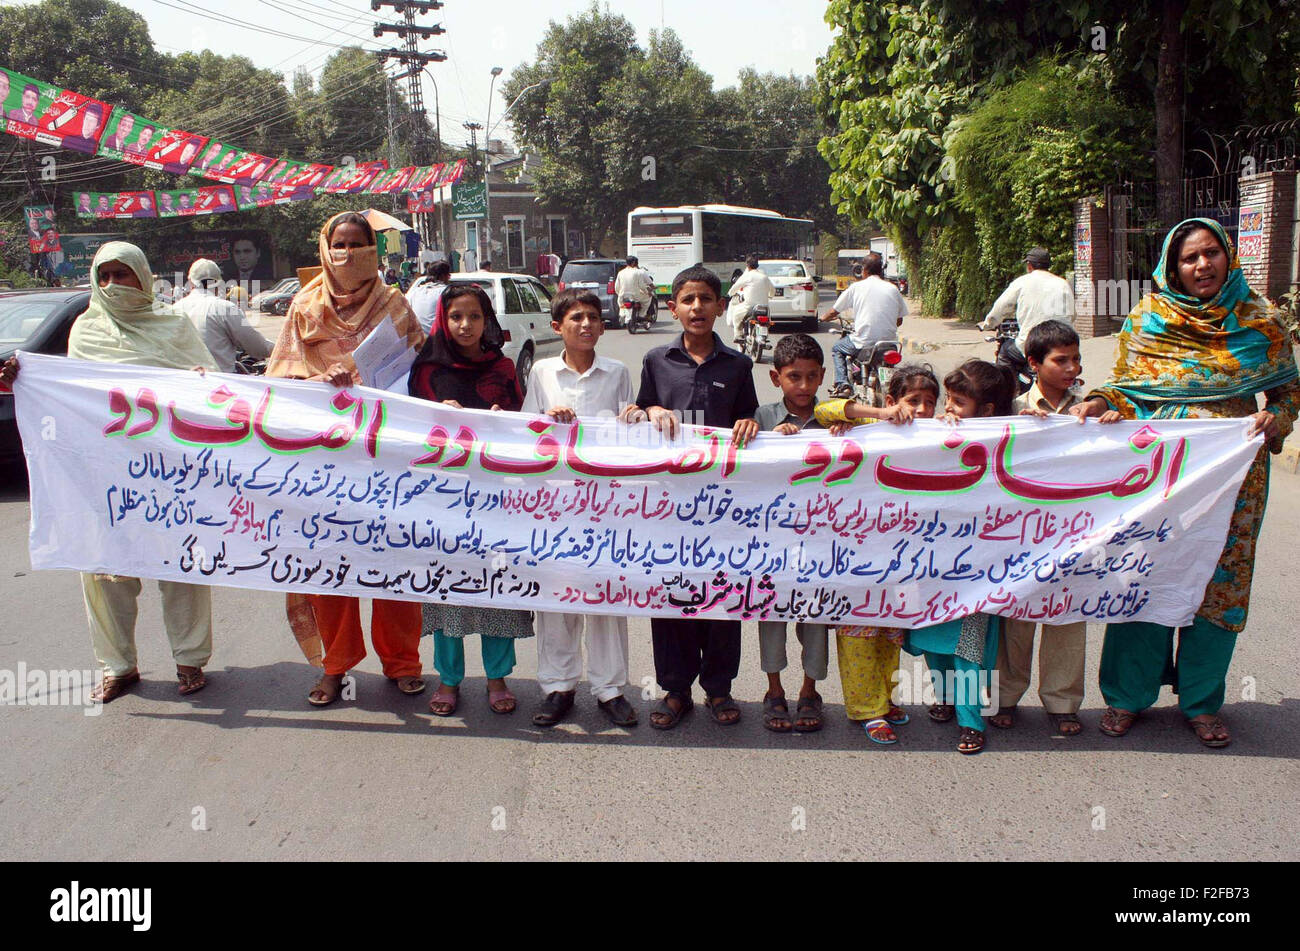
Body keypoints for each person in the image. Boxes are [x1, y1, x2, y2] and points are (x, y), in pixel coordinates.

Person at [1069, 217, 1299, 748]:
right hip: (1160, 480)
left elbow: (1289, 393)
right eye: (1190, 258)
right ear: (1172, 268)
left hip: (1236, 479)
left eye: (1211, 253)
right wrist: (1103, 403)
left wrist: (1276, 421)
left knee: (1221, 582)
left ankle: (1200, 702)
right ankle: (1127, 696)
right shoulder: (1148, 319)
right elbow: (1128, 391)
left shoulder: (1259, 320)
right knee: (1146, 572)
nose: (1202, 265)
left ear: (1228, 256)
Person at [0, 242, 218, 702]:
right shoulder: (86, 330)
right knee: (104, 572)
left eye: (124, 275)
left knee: (182, 567)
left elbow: (212, 391)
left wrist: (202, 380)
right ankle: (118, 666)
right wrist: (25, 378)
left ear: (143, 276)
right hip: (104, 476)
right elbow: (70, 397)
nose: (114, 285)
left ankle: (190, 660)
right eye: (106, 276)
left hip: (168, 475)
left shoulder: (174, 325)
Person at [265, 211, 428, 706]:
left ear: (374, 250)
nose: (349, 254)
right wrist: (319, 385)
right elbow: (280, 382)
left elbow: (418, 373)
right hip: (323, 461)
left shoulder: (395, 304)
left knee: (394, 561)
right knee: (328, 564)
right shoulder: (304, 307)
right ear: (324, 247)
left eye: (359, 244)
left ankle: (402, 663)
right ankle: (335, 666)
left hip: (387, 458)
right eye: (340, 244)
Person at [628, 264, 760, 729]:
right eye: (688, 300)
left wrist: (751, 422)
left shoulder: (739, 365)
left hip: (724, 503)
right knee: (672, 596)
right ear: (673, 308)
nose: (697, 307)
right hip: (670, 504)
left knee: (723, 594)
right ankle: (675, 689)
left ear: (721, 307)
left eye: (706, 299)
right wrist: (653, 409)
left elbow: (748, 416)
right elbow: (640, 407)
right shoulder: (656, 360)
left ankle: (719, 689)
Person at [408, 284, 533, 717]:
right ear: (444, 319)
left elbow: (525, 428)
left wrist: (505, 421)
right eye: (456, 316)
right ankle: (448, 678)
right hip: (442, 499)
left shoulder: (502, 367)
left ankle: (498, 677)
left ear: (487, 320)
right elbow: (407, 433)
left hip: (496, 497)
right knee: (448, 587)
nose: (466, 325)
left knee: (495, 584)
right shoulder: (426, 371)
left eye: (475, 316)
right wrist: (438, 416)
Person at [523, 288, 638, 728]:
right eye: (576, 318)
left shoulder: (617, 372)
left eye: (593, 317)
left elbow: (630, 426)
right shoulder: (542, 372)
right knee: (558, 597)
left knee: (606, 596)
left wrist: (632, 417)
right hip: (555, 502)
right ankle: (558, 688)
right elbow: (524, 428)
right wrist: (545, 419)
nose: (586, 324)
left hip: (605, 504)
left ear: (603, 325)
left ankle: (610, 690)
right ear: (558, 327)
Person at [976, 320, 1092, 737]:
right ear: (1033, 363)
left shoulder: (1091, 410)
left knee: (1065, 618)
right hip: (1020, 537)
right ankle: (1005, 696)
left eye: (1076, 359)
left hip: (1073, 535)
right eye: (1061, 360)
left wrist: (1105, 418)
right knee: (1015, 621)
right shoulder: (1012, 410)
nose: (1071, 368)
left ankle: (1063, 702)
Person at [814, 364, 941, 744]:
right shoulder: (869, 431)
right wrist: (874, 418)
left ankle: (885, 698)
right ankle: (866, 708)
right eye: (912, 401)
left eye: (929, 403)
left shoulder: (937, 436)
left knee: (891, 632)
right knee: (859, 634)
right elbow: (824, 411)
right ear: (891, 401)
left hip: (905, 556)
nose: (920, 410)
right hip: (858, 555)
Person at [908, 359, 1017, 754]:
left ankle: (971, 722)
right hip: (933, 562)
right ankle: (944, 697)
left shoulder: (1007, 439)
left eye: (957, 402)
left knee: (967, 648)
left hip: (978, 570)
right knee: (934, 639)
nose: (947, 409)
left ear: (987, 412)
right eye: (948, 400)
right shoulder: (935, 433)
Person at [754, 333, 830, 733]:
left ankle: (808, 691)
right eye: (793, 377)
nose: (802, 386)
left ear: (821, 378)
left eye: (811, 377)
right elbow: (746, 464)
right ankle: (774, 691)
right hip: (773, 542)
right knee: (771, 617)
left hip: (819, 542)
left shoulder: (834, 418)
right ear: (775, 378)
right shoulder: (763, 417)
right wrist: (768, 439)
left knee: (815, 619)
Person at [823, 250, 907, 397]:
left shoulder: (856, 287)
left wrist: (822, 318)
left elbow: (834, 311)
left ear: (864, 270)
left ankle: (843, 385)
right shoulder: (893, 288)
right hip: (889, 344)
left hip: (863, 342)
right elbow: (899, 320)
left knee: (837, 348)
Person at [175, 258, 272, 373]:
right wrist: (282, 348)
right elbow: (257, 347)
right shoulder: (225, 308)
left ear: (190, 282)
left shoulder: (174, 309)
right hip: (221, 384)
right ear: (219, 283)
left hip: (183, 384)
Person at [978, 247, 1075, 357]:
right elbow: (1072, 315)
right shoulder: (1062, 284)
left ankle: (1006, 374)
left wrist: (988, 324)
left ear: (1029, 265)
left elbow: (1002, 306)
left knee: (1005, 353)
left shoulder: (1022, 282)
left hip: (1033, 343)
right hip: (1064, 343)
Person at [725, 255, 774, 344]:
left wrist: (729, 294)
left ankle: (738, 335)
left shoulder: (747, 276)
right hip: (764, 307)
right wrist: (770, 296)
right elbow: (772, 290)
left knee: (736, 314)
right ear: (757, 265)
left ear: (747, 265)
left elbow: (735, 287)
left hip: (749, 306)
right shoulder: (764, 277)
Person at [407, 259, 449, 333]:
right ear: (443, 276)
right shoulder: (446, 292)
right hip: (437, 340)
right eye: (448, 275)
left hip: (417, 339)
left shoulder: (415, 291)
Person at [614, 255, 654, 325]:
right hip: (636, 296)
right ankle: (641, 315)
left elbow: (617, 287)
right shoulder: (638, 272)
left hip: (623, 296)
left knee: (621, 304)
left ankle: (622, 314)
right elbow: (642, 286)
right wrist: (648, 292)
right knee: (648, 299)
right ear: (633, 263)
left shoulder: (620, 273)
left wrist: (620, 294)